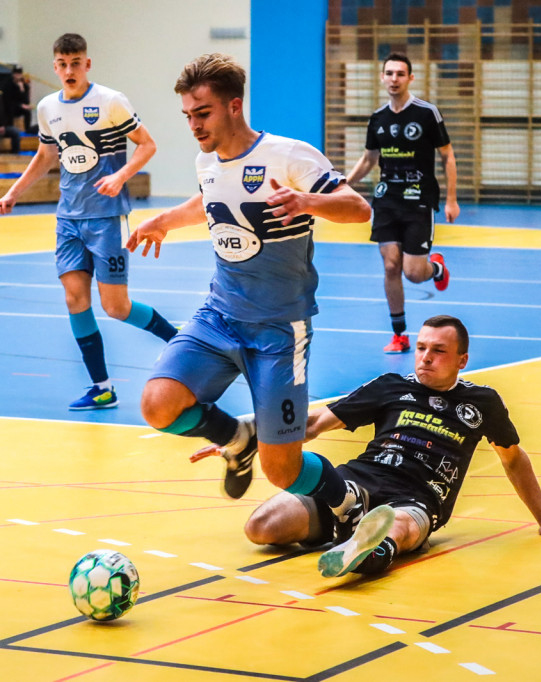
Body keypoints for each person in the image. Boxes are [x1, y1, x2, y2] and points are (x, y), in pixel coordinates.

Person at [126, 53, 373, 534]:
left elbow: (358, 208)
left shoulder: (289, 155)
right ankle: (236, 439)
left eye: (203, 114)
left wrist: (307, 201)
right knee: (158, 404)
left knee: (282, 471)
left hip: (279, 329)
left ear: (234, 106)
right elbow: (212, 199)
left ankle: (348, 499)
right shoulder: (207, 161)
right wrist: (163, 220)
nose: (194, 126)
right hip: (219, 316)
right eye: (188, 117)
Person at [209, 315, 541, 578]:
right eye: (422, 347)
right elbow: (310, 426)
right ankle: (351, 527)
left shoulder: (483, 402)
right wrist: (241, 435)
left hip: (418, 498)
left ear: (462, 360)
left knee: (404, 526)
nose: (426, 357)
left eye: (439, 351)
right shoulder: (391, 386)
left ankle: (365, 549)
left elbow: (512, 457)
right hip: (356, 484)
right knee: (260, 528)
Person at [0, 33, 177, 410]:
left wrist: (120, 175)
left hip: (107, 217)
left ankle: (181, 342)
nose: (69, 70)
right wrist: (14, 192)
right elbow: (46, 156)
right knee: (75, 299)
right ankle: (102, 387)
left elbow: (148, 144)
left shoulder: (110, 101)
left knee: (116, 307)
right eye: (62, 63)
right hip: (68, 218)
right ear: (55, 66)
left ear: (87, 64)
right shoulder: (47, 107)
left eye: (76, 62)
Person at [346, 52, 458, 354]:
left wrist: (451, 199)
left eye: (400, 74)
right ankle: (399, 334)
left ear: (410, 78)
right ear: (383, 78)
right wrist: (344, 185)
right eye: (389, 73)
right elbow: (369, 159)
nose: (394, 79)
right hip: (386, 200)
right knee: (391, 266)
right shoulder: (378, 119)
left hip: (419, 199)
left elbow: (447, 155)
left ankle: (435, 269)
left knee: (412, 271)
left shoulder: (426, 113)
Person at [3, 66, 31, 130]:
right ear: (13, 75)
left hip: (20, 107)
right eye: (16, 74)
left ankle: (27, 129)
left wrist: (22, 89)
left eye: (19, 74)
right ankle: (10, 128)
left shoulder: (24, 85)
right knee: (10, 109)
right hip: (10, 106)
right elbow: (7, 100)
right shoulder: (8, 85)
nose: (18, 76)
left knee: (27, 111)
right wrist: (20, 105)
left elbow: (26, 101)